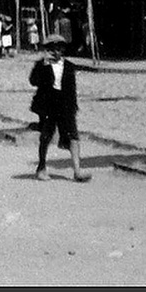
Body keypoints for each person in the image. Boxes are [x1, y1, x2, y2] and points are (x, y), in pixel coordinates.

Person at [28, 35, 90, 182]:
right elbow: (33, 81)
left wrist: (73, 107)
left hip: (65, 104)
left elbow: (72, 88)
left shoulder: (68, 66)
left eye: (60, 49)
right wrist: (43, 64)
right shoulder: (42, 65)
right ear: (48, 50)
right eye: (53, 49)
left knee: (73, 136)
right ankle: (41, 168)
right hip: (48, 104)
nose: (57, 52)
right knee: (46, 136)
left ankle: (77, 170)